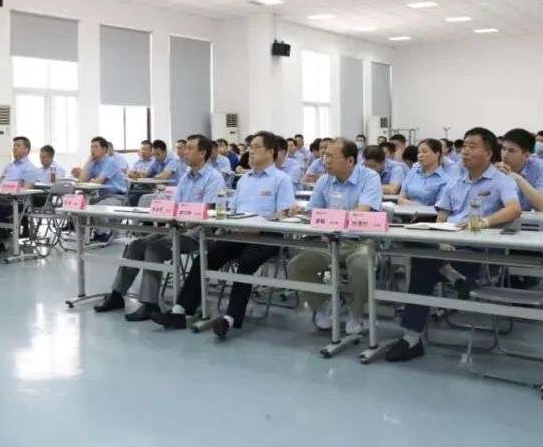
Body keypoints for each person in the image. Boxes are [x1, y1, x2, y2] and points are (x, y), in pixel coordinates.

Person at [386, 127, 522, 362]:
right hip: (449, 248)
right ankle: (453, 276)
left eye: (472, 146)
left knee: (422, 263)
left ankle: (411, 338)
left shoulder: (502, 181)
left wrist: (483, 222)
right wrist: (438, 239)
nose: (465, 151)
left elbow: (514, 209)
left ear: (489, 153)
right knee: (416, 247)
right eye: (464, 146)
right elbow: (442, 218)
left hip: (479, 253)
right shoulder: (454, 182)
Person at [152, 131, 294, 339]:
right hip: (238, 233)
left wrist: (260, 224)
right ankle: (180, 311)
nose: (250, 151)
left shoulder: (281, 179)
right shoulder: (244, 180)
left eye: (256, 147)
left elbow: (283, 214)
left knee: (246, 261)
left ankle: (230, 318)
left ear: (270, 152)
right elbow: (231, 210)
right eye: (250, 147)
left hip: (268, 235)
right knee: (205, 259)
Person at [94, 134, 225, 321]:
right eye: (184, 148)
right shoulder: (186, 177)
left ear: (202, 153)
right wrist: (165, 215)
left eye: (189, 148)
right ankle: (116, 295)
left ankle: (150, 304)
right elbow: (174, 206)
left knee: (154, 249)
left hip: (199, 233)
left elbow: (208, 212)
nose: (184, 152)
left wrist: (182, 222)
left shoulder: (214, 178)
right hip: (177, 228)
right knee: (136, 245)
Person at [288, 138, 383, 335]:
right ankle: (324, 306)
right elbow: (313, 211)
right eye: (325, 156)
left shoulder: (369, 177)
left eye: (331, 157)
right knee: (296, 266)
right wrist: (300, 211)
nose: (326, 161)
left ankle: (356, 313)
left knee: (361, 265)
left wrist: (329, 217)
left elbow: (363, 211)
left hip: (360, 241)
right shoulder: (324, 180)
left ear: (350, 160)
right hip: (330, 242)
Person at [496, 128, 543, 212]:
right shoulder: (496, 168)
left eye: (511, 151)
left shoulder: (540, 167)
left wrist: (516, 177)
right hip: (509, 218)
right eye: (503, 149)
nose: (505, 155)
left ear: (527, 156)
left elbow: (542, 205)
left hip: (540, 219)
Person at [398, 139, 450, 206]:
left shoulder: (445, 180)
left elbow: (439, 208)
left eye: (424, 152)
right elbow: (400, 199)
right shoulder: (413, 172)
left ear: (437, 154)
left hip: (426, 213)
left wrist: (410, 204)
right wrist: (420, 206)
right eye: (419, 152)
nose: (420, 155)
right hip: (404, 211)